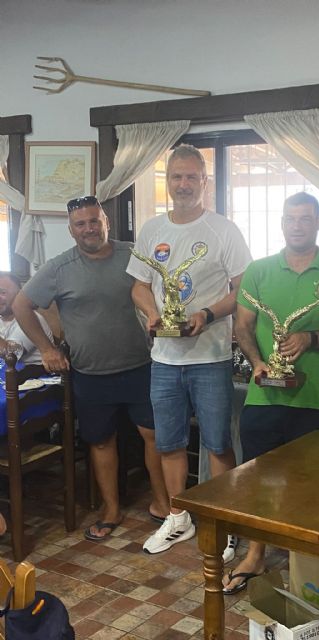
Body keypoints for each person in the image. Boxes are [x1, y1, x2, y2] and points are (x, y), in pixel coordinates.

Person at [222, 191, 319, 594]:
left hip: (314, 399)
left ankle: (305, 564)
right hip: (264, 396)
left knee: (312, 485)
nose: (297, 225)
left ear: (318, 223)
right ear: (282, 223)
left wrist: (311, 338)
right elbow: (243, 326)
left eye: (305, 219)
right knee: (260, 480)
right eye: (290, 218)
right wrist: (257, 362)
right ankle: (255, 555)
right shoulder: (259, 271)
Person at [12, 196, 169, 540]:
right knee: (100, 442)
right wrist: (46, 348)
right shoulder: (59, 267)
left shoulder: (133, 254)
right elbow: (21, 304)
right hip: (90, 374)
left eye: (94, 221)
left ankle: (164, 505)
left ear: (106, 222)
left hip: (141, 367)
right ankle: (111, 510)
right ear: (71, 230)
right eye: (80, 224)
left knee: (155, 436)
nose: (88, 229)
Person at [127, 144, 252, 558]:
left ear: (204, 181)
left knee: (218, 443)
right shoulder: (152, 230)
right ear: (167, 181)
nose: (183, 184)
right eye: (176, 176)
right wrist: (151, 313)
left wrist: (207, 313)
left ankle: (224, 521)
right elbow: (139, 285)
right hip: (164, 360)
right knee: (169, 443)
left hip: (210, 358)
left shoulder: (223, 230)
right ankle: (178, 517)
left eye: (191, 177)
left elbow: (243, 289)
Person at [0, 271, 53, 364]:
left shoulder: (30, 319)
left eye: (3, 292)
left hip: (33, 371)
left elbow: (11, 355)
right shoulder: (2, 319)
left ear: (19, 294)